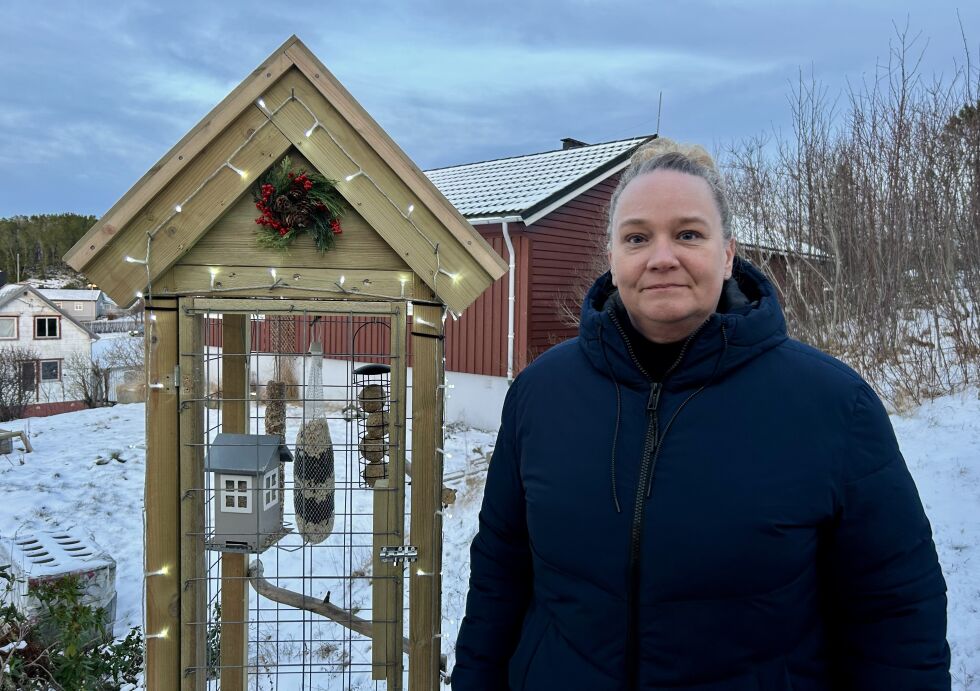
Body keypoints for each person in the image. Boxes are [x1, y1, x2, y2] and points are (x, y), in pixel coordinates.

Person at [451, 139, 950, 690]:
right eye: (637, 237)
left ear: (728, 254)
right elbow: (501, 570)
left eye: (688, 234)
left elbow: (895, 610)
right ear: (613, 258)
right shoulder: (540, 394)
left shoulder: (833, 404)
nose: (662, 256)